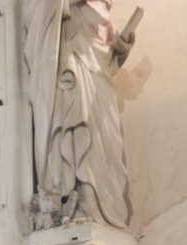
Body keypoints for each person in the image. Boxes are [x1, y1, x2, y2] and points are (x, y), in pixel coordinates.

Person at [23, 0, 135, 229]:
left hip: (99, 84)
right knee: (78, 129)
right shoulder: (62, 10)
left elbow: (106, 60)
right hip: (72, 71)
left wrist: (120, 49)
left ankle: (101, 209)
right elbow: (35, 19)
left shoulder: (100, 7)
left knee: (105, 141)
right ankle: (81, 203)